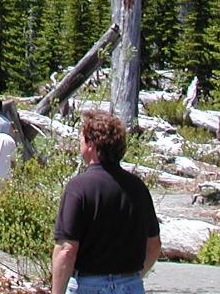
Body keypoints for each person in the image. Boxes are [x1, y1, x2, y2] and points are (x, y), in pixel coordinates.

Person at [51, 111, 161, 294]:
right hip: (130, 285)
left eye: (82, 139)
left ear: (91, 145)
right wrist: (133, 277)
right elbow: (154, 245)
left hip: (88, 286)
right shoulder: (137, 187)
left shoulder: (79, 187)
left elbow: (66, 250)